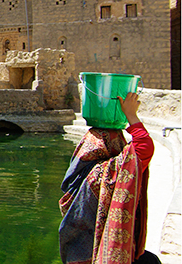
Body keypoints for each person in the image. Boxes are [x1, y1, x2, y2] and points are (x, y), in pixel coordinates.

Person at [59, 92, 160, 264]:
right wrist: (131, 115)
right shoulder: (105, 174)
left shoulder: (77, 178)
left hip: (78, 257)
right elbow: (143, 148)